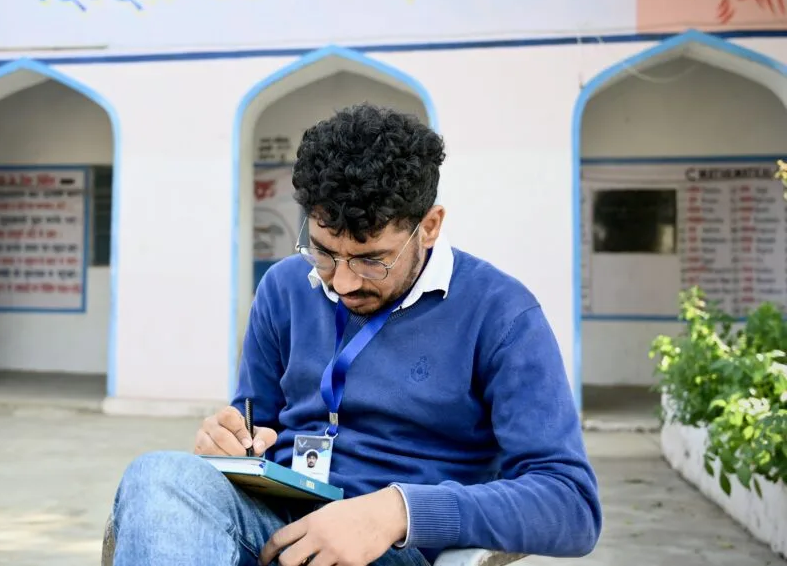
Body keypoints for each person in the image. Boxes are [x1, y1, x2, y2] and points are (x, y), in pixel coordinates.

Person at [109, 103, 602, 566]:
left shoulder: (501, 313)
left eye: (371, 260)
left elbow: (570, 503)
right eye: (323, 251)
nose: (342, 281)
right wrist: (232, 439)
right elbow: (254, 421)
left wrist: (397, 512)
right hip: (276, 522)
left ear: (429, 226)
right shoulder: (283, 288)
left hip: (388, 549)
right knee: (160, 476)